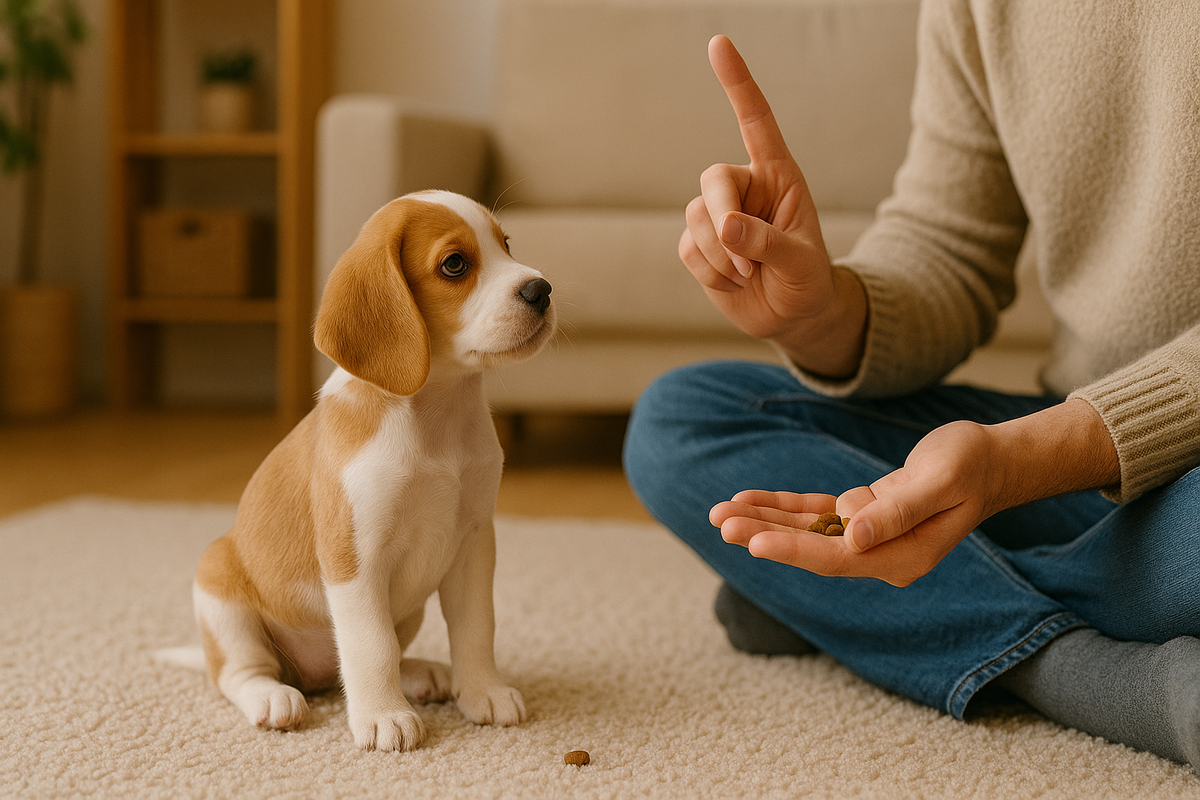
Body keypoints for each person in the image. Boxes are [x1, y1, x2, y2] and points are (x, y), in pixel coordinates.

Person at [623, 2, 1200, 772]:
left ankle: (851, 609)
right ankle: (1084, 674)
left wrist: (1016, 461)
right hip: (1067, 454)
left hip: (1123, 470)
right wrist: (821, 311)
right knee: (682, 419)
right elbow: (949, 243)